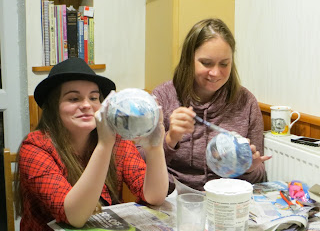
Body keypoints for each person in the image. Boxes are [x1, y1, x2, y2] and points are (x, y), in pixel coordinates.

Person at [14, 58, 168, 230]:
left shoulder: (116, 141)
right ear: (53, 107)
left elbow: (154, 196)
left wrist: (155, 147)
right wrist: (104, 145)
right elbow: (75, 216)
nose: (87, 105)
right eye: (74, 98)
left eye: (94, 97)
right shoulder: (35, 148)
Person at [150, 18, 271, 193]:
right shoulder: (163, 97)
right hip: (172, 197)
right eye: (206, 63)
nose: (215, 73)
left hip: (225, 198)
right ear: (188, 60)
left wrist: (249, 168)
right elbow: (142, 163)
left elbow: (258, 176)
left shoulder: (246, 102)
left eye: (224, 64)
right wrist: (171, 139)